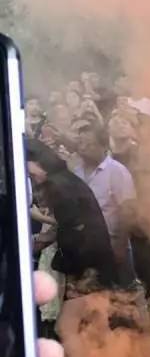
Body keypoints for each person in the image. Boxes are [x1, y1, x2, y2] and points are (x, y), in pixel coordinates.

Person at [26, 139, 117, 341]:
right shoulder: (65, 180)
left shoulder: (58, 186)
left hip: (87, 267)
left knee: (65, 328)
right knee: (99, 327)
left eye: (30, 173)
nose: (30, 178)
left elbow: (70, 227)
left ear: (39, 162)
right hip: (96, 262)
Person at [73, 122, 137, 287]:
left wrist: (120, 246)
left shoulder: (117, 171)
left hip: (112, 244)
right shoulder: (76, 172)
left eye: (88, 144)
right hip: (85, 247)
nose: (82, 148)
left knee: (121, 295)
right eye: (80, 143)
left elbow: (128, 212)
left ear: (103, 146)